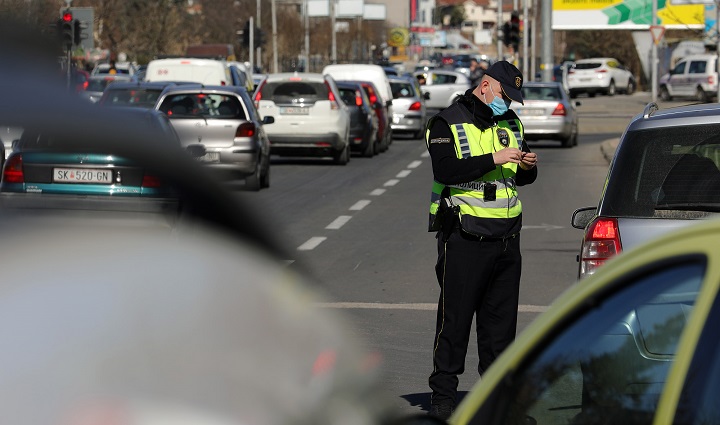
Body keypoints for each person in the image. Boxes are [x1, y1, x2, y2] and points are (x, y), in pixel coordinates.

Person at [425, 61, 538, 420]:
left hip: (507, 238)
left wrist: (528, 165)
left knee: (500, 328)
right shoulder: (447, 122)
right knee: (455, 321)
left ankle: (498, 399)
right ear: (486, 85)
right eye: (505, 95)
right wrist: (494, 157)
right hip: (465, 236)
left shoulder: (511, 123)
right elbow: (445, 170)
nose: (509, 103)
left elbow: (521, 180)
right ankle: (443, 396)